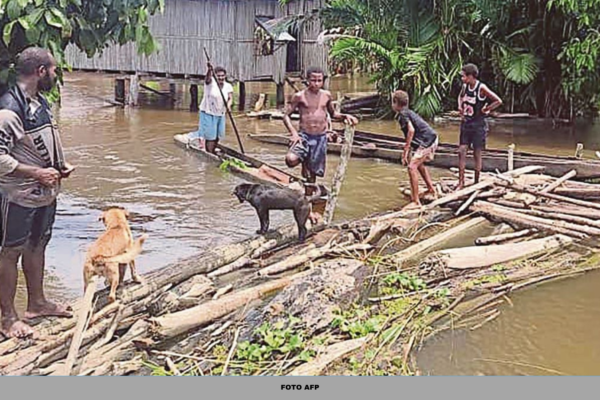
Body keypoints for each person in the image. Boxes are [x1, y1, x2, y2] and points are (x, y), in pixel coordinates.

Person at [0, 47, 75, 338]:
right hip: (17, 195)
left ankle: (37, 303)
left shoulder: (38, 102)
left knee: (37, 245)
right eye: (54, 70)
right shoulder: (9, 109)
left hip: (44, 193)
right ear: (41, 72)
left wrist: (59, 165)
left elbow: (42, 140)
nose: (56, 75)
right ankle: (7, 318)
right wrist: (36, 172)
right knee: (10, 252)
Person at [283, 66, 358, 184]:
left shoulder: (326, 95)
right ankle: (304, 161)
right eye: (313, 80)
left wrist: (345, 116)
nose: (316, 84)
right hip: (304, 136)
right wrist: (294, 133)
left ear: (323, 81)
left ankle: (310, 194)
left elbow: (333, 114)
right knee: (290, 160)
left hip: (320, 138)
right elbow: (286, 116)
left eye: (319, 80)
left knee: (313, 174)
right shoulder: (299, 96)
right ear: (307, 80)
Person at [457, 63, 503, 189]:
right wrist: (460, 107)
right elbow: (460, 97)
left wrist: (486, 109)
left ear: (471, 76)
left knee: (477, 154)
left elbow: (498, 100)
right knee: (461, 151)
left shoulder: (481, 88)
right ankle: (461, 182)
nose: (462, 79)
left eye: (464, 76)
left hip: (478, 125)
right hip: (466, 123)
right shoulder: (465, 86)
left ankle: (476, 182)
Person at [392, 90, 439, 209]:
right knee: (419, 165)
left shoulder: (403, 114)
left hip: (427, 140)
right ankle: (431, 190)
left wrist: (405, 150)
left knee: (411, 167)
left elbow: (411, 130)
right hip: (431, 138)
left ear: (395, 103)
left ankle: (416, 201)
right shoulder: (407, 112)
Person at [181, 62, 233, 154]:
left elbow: (230, 98)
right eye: (218, 76)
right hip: (208, 112)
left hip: (220, 113)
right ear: (215, 76)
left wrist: (228, 106)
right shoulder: (210, 83)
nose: (221, 78)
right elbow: (207, 79)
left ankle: (212, 149)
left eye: (222, 76)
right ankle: (209, 153)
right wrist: (209, 70)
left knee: (218, 135)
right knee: (210, 136)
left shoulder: (228, 86)